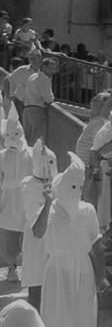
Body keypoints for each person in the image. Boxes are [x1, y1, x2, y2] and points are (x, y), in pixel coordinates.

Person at [33, 154, 107, 327]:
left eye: (80, 187)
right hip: (57, 269)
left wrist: (101, 275)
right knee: (57, 313)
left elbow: (96, 244)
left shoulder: (88, 210)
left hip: (83, 268)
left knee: (83, 312)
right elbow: (37, 232)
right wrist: (47, 205)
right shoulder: (50, 210)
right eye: (73, 187)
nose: (77, 192)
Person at [20, 139, 57, 310]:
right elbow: (34, 209)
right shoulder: (27, 184)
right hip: (35, 237)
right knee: (37, 279)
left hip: (55, 234)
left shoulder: (59, 181)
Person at [0, 109, 32, 283]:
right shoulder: (1, 157)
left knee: (28, 236)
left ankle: (27, 267)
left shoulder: (33, 154)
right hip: (8, 201)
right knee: (9, 236)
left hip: (27, 201)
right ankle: (12, 267)